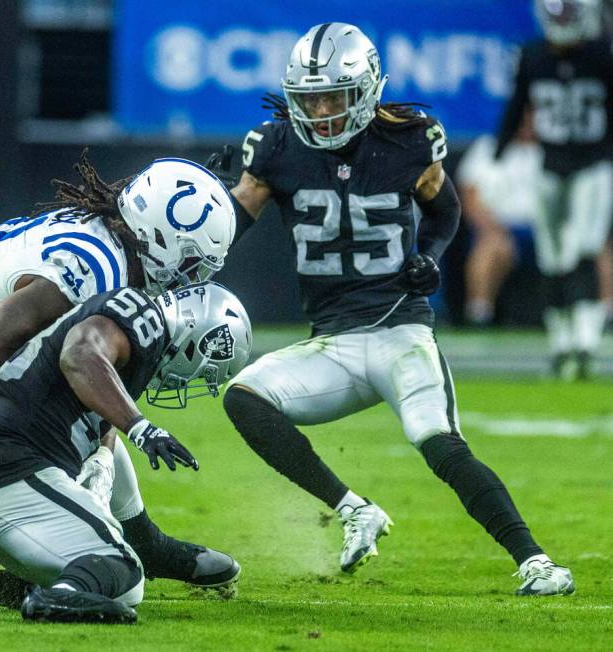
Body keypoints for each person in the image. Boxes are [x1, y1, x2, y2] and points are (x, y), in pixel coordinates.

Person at [219, 22, 574, 596]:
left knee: (437, 441)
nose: (322, 111)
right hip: (331, 341)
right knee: (244, 398)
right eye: (309, 99)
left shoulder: (409, 139)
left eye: (334, 95)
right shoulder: (276, 146)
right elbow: (232, 219)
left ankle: (535, 560)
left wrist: (428, 256)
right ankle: (353, 507)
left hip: (398, 329)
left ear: (365, 90)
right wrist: (201, 222)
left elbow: (446, 213)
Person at [0, 153, 240, 591]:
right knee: (19, 469)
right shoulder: (93, 267)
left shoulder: (119, 246)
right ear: (165, 241)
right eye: (192, 263)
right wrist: (74, 417)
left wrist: (98, 436)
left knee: (81, 438)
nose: (190, 279)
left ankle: (142, 540)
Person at [0, 282, 253, 623]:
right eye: (204, 373)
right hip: (18, 477)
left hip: (0, 479)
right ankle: (56, 599)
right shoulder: (144, 321)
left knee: (99, 571)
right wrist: (140, 427)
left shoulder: (130, 328)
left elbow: (95, 399)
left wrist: (102, 466)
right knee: (123, 572)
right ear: (199, 338)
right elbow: (79, 354)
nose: (189, 382)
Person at [496, 0, 613, 379]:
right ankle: (563, 341)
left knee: (583, 249)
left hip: (592, 164)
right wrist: (501, 147)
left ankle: (586, 338)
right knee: (552, 258)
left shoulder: (601, 55)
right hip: (549, 165)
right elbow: (517, 104)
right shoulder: (532, 56)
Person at [457, 111, 542, 326]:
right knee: (494, 245)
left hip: (545, 230)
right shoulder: (487, 147)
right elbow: (469, 195)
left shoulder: (553, 152)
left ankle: (598, 314)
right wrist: (490, 226)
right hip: (499, 227)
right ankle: (478, 314)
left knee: (591, 245)